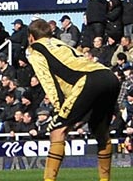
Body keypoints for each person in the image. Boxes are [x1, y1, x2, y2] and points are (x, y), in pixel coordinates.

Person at [23, 17, 121, 181]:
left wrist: (57, 106)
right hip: (108, 76)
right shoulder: (59, 43)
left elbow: (47, 80)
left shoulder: (35, 49)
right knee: (100, 131)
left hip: (89, 80)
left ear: (31, 37)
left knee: (57, 131)